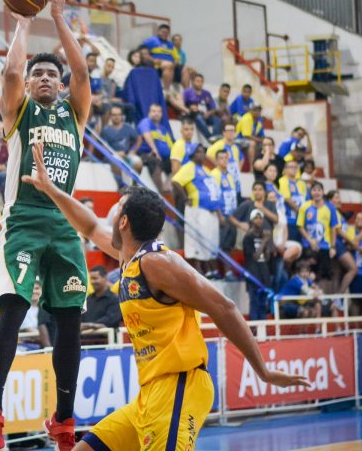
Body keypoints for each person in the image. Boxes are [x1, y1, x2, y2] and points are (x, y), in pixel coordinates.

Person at [21, 144, 309, 451]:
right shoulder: (128, 257)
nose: (111, 213)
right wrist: (50, 189)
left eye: (117, 207)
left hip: (180, 385)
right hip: (150, 393)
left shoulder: (157, 263)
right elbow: (90, 226)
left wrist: (262, 370)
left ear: (123, 221)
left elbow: (224, 306)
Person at [0, 0, 92, 451]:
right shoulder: (18, 112)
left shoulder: (75, 114)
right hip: (23, 221)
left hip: (65, 226)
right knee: (13, 308)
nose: (45, 78)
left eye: (52, 74)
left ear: (60, 85)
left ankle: (64, 420)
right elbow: (10, 72)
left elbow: (82, 71)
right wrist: (24, 21)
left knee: (69, 320)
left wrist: (60, 18)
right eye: (38, 74)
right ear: (28, 84)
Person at [172, 144, 222, 278]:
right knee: (198, 239)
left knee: (210, 240)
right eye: (199, 152)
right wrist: (185, 198)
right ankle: (199, 269)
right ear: (193, 155)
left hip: (210, 210)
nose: (202, 155)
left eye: (203, 152)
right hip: (197, 209)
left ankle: (211, 270)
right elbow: (176, 181)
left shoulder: (205, 169)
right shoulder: (189, 167)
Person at [297, 181, 339, 293]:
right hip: (308, 246)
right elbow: (300, 226)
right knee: (309, 273)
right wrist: (310, 240)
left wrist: (333, 247)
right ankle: (310, 296)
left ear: (323, 192)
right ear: (310, 192)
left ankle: (322, 297)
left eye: (319, 190)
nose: (316, 192)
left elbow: (333, 228)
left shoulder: (330, 208)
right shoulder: (304, 207)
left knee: (324, 275)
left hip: (325, 247)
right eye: (314, 190)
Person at [242, 210, 274, 320]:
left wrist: (266, 244)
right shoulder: (248, 237)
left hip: (264, 272)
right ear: (251, 220)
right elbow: (254, 257)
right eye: (256, 218)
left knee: (263, 302)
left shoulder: (263, 236)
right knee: (254, 301)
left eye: (260, 218)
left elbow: (267, 257)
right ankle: (254, 326)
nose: (259, 220)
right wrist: (264, 241)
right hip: (253, 274)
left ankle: (263, 326)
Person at [100, 104, 142, 188]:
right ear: (110, 116)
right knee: (116, 163)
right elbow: (103, 147)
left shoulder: (128, 127)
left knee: (138, 163)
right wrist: (115, 153)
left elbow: (139, 139)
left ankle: (134, 183)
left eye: (119, 115)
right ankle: (123, 186)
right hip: (112, 156)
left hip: (126, 155)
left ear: (122, 116)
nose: (117, 117)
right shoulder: (106, 130)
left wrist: (133, 150)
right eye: (114, 115)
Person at [137, 103, 175, 194]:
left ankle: (167, 186)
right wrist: (155, 150)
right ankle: (160, 193)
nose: (156, 113)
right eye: (154, 111)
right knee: (155, 160)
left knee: (178, 163)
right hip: (147, 154)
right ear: (149, 113)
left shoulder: (163, 128)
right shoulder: (145, 122)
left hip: (164, 157)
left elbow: (171, 145)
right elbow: (146, 135)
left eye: (159, 111)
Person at [211, 149, 239, 251]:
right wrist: (219, 215)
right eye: (221, 158)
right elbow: (214, 195)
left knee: (230, 245)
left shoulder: (229, 175)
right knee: (222, 245)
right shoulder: (215, 174)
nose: (224, 160)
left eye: (226, 158)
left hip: (231, 215)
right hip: (222, 215)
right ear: (216, 160)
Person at [207, 122, 243, 198]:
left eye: (232, 131)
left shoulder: (235, 147)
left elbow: (241, 159)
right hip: (224, 176)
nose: (231, 133)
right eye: (228, 131)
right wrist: (219, 165)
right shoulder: (219, 144)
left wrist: (238, 169)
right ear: (224, 133)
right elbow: (208, 154)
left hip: (235, 177)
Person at [82, 265, 122, 330]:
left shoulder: (114, 299)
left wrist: (89, 325)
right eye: (91, 279)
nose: (92, 282)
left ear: (104, 278)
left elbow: (111, 320)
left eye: (95, 278)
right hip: (86, 336)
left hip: (107, 336)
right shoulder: (88, 299)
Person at [183, 73, 220, 139]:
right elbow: (183, 105)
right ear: (193, 82)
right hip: (193, 115)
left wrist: (209, 113)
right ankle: (210, 138)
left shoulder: (207, 93)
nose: (199, 83)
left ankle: (215, 137)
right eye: (197, 81)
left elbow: (213, 107)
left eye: (201, 81)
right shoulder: (187, 92)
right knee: (199, 117)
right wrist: (190, 108)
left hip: (206, 115)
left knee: (217, 119)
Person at [278, 160, 308, 243]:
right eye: (291, 167)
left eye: (295, 167)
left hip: (303, 221)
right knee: (292, 243)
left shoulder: (302, 183)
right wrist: (302, 213)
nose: (294, 169)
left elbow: (307, 200)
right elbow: (287, 199)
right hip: (290, 220)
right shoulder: (282, 181)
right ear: (285, 169)